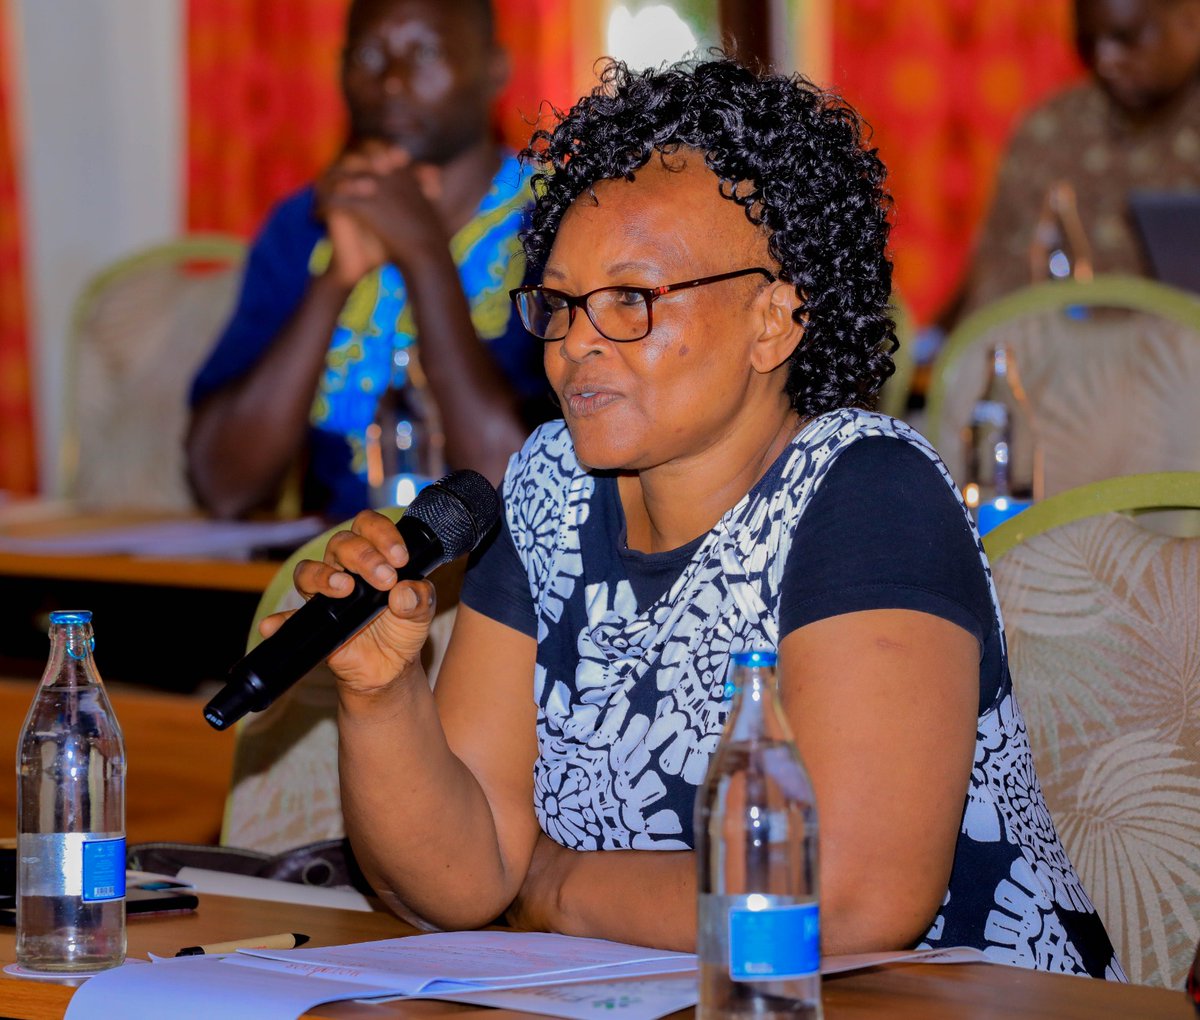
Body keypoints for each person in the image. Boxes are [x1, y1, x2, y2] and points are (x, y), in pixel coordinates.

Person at [270, 58, 1123, 977]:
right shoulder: (547, 488)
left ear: (775, 321)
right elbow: (467, 878)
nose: (580, 340)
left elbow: (851, 896)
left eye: (633, 300)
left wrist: (556, 890)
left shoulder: (866, 492)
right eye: (559, 304)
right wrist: (381, 696)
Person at [186, 0, 547, 520]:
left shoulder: (555, 218)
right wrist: (334, 280)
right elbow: (222, 484)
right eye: (369, 55)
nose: (392, 82)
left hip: (500, 588)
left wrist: (423, 252)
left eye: (424, 52)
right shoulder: (303, 226)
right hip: (332, 572)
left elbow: (517, 487)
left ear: (495, 70)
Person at [957, 0, 1200, 318]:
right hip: (1060, 358)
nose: (1105, 60)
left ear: (1190, 21)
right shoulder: (1050, 131)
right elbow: (993, 289)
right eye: (1088, 43)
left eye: (1126, 38)